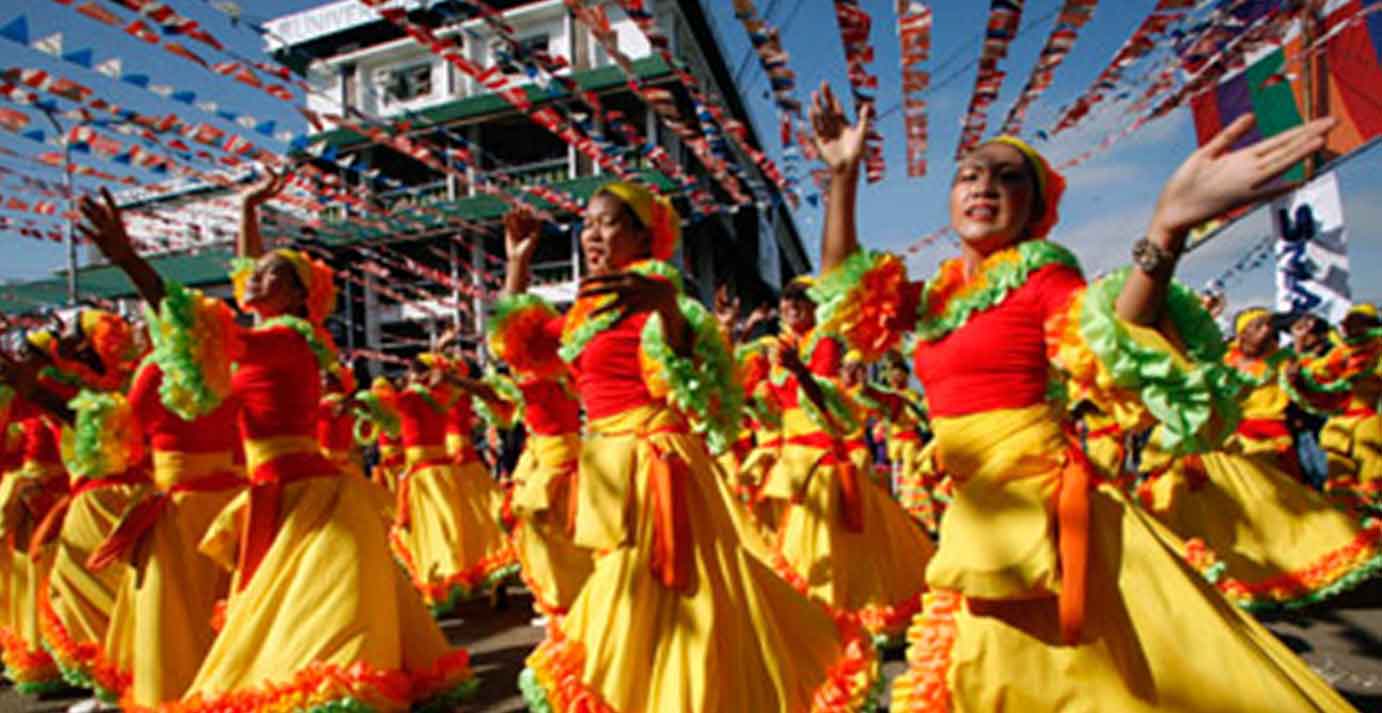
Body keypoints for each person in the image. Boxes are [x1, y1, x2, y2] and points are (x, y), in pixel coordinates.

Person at [805, 80, 1353, 711]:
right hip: (977, 509)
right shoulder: (936, 299)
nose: (983, 185)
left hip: (1041, 507)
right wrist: (842, 178)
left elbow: (1115, 333)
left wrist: (1165, 231)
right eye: (969, 175)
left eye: (1007, 178)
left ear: (1032, 209)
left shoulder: (1042, 274)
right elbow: (850, 293)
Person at [81, 175, 475, 711]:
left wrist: (132, 261)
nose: (252, 278)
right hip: (276, 489)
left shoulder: (287, 338)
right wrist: (247, 210)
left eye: (271, 276)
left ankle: (334, 691)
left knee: (316, 614)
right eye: (256, 273)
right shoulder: (276, 335)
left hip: (307, 494)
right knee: (293, 609)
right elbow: (243, 280)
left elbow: (198, 321)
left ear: (295, 296)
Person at [497, 183, 879, 712]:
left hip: (658, 466)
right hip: (609, 468)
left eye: (607, 223)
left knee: (657, 593)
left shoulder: (665, 298)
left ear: (642, 234)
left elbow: (699, 381)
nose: (592, 234)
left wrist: (671, 314)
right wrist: (519, 263)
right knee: (642, 596)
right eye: (587, 224)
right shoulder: (590, 308)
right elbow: (525, 347)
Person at [1138, 305, 1381, 611]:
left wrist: (1300, 366)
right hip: (1208, 448)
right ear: (1241, 334)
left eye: (1267, 326)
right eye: (1256, 326)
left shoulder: (1281, 363)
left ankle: (1277, 568)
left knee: (1267, 515)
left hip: (1261, 447)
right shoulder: (1217, 361)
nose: (1264, 332)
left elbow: (1316, 383)